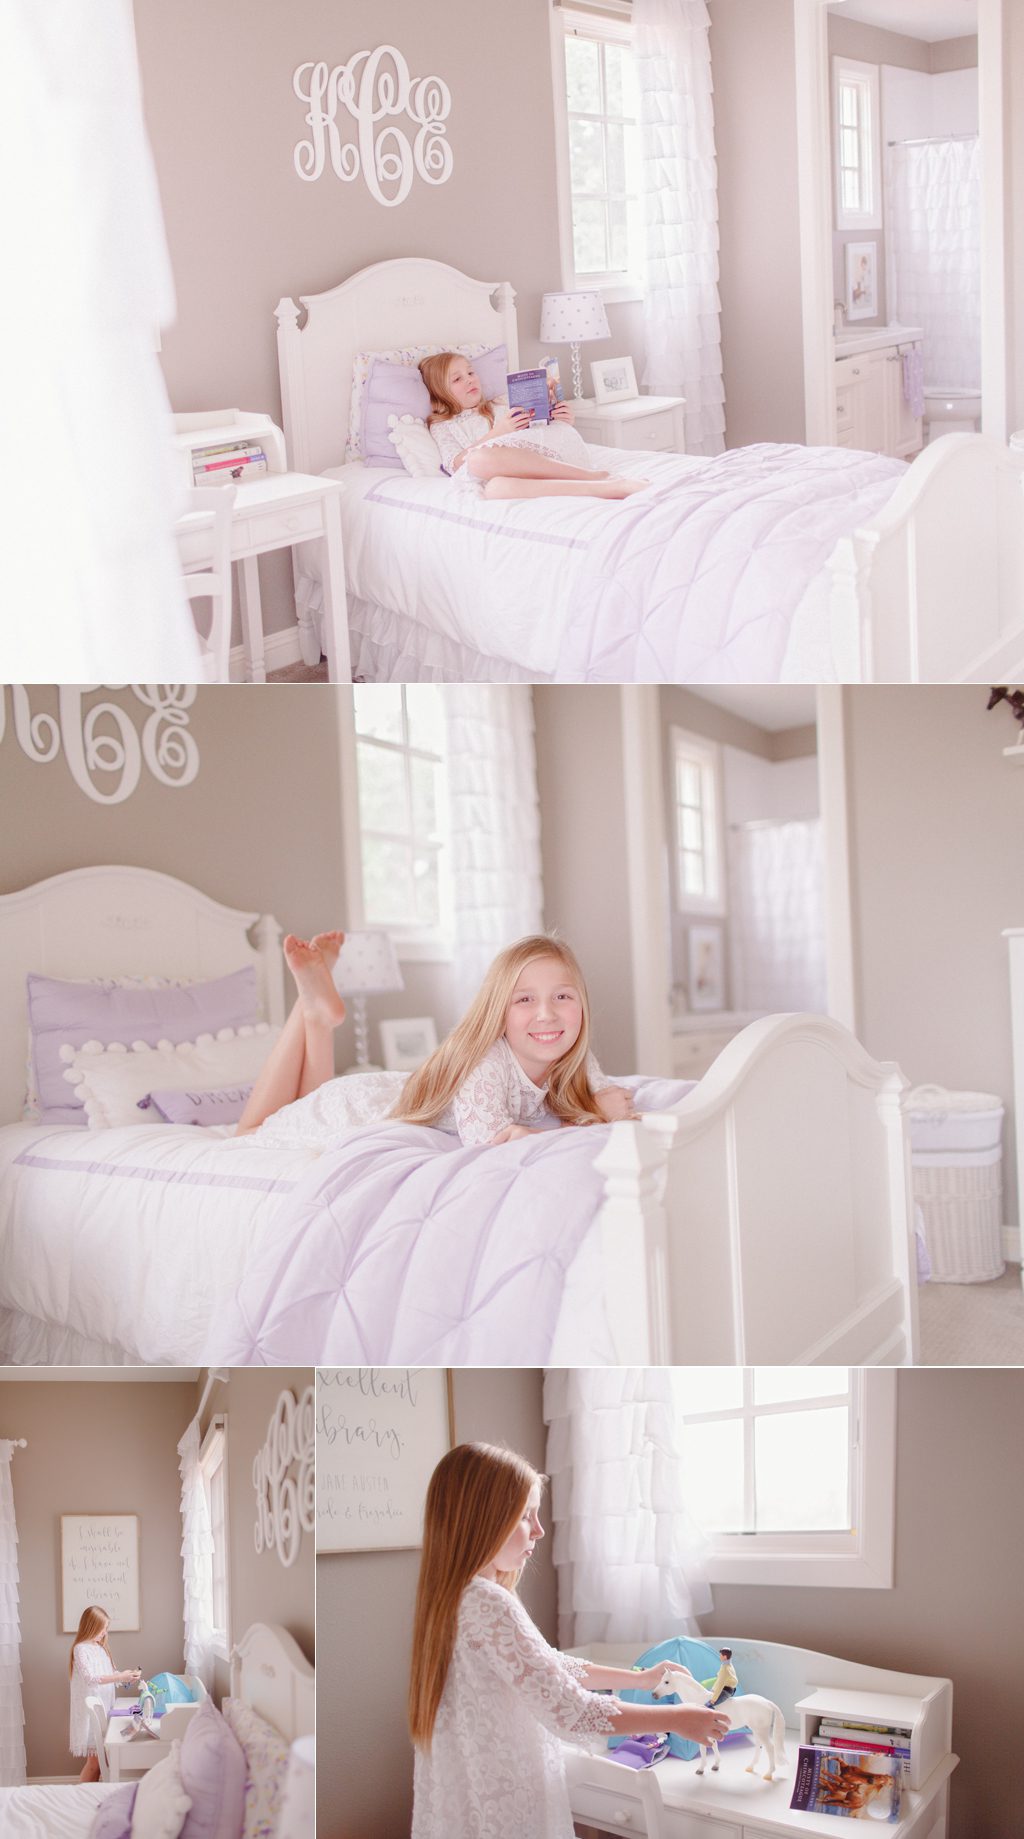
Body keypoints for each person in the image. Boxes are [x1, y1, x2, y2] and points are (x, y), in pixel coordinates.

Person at [408, 1443, 730, 1839]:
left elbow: (548, 1666)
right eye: (525, 1516)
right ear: (484, 1519)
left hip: (475, 1793)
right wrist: (675, 1719)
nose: (540, 1530)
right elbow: (570, 1710)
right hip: (506, 1803)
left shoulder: (456, 1596)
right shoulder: (488, 1602)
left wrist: (643, 1678)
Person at [237, 932, 640, 1149]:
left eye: (563, 997)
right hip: (357, 1108)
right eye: (524, 1000)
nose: (547, 1014)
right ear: (497, 1012)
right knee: (250, 1134)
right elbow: (492, 1144)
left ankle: (318, 1016)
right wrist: (594, 1118)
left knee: (306, 1099)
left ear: (581, 1004)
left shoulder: (574, 1057)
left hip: (390, 1092)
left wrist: (603, 1108)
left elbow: (610, 1102)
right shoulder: (486, 1063)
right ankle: (307, 1013)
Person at [419, 351, 648, 501]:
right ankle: (603, 488)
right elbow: (454, 465)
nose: (470, 379)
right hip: (502, 474)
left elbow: (538, 432)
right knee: (495, 488)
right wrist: (500, 432)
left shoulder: (502, 402)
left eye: (470, 372)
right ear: (440, 391)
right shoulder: (442, 425)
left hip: (543, 461)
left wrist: (561, 418)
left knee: (480, 459)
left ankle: (597, 476)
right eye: (457, 379)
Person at [69, 1605, 142, 1782]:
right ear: (91, 1627)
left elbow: (112, 1675)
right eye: (102, 1628)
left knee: (102, 1762)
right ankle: (80, 1799)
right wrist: (120, 1676)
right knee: (95, 1762)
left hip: (105, 1706)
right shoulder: (81, 1649)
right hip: (92, 1711)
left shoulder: (101, 1649)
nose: (104, 1632)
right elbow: (91, 1678)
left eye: (106, 1628)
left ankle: (89, 1798)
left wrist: (127, 1676)